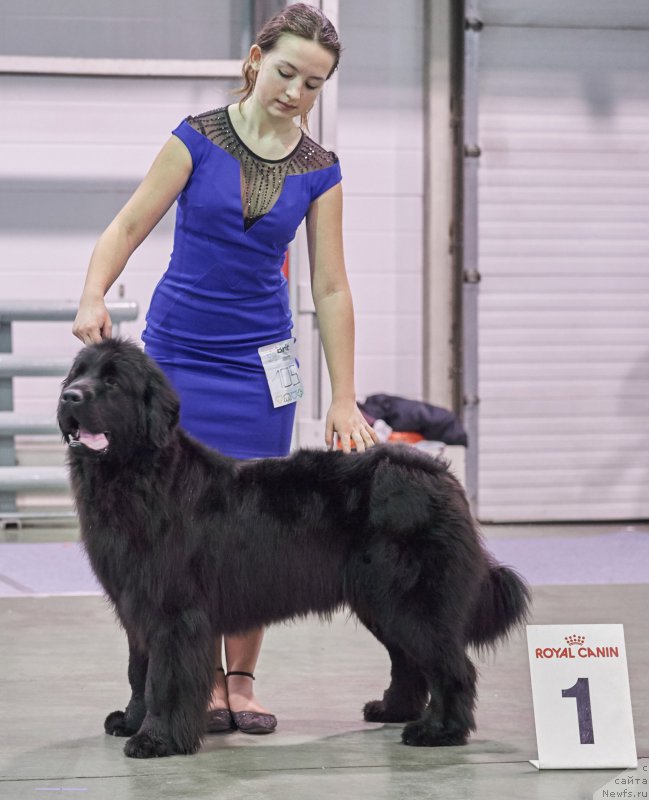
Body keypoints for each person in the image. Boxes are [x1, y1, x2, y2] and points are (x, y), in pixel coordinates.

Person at [72, 3, 378, 735]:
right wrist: (92, 293)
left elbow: (332, 287)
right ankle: (195, 680)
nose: (295, 93)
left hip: (260, 366)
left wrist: (345, 397)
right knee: (176, 526)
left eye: (313, 84)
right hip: (179, 355)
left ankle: (240, 681)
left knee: (251, 527)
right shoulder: (197, 138)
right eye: (287, 73)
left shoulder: (320, 170)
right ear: (255, 60)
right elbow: (128, 224)